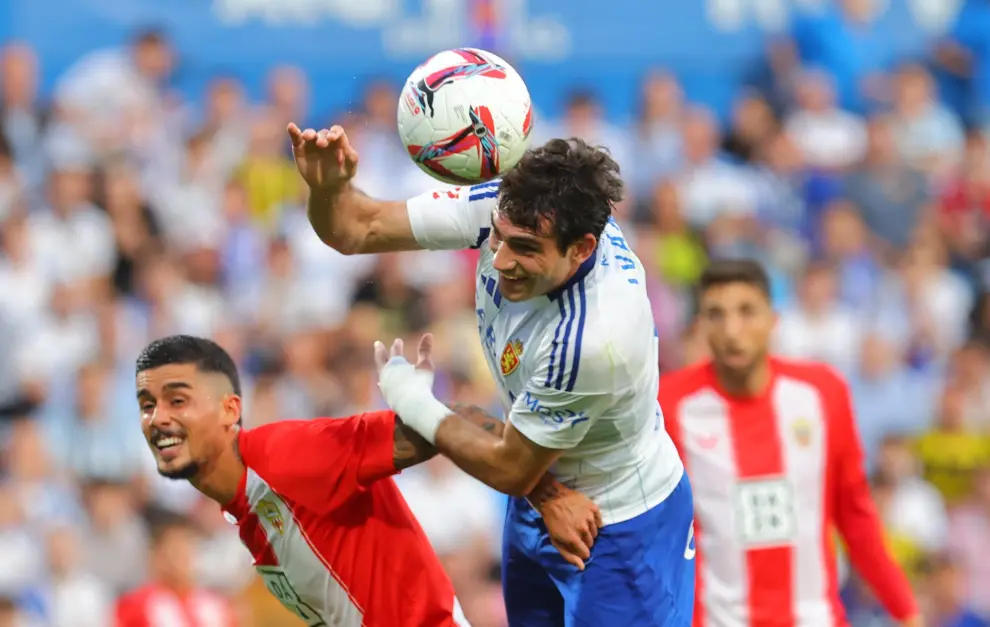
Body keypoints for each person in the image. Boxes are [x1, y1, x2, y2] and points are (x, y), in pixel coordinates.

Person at [287, 122, 694, 625]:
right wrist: (329, 188)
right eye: (499, 238)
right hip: (539, 499)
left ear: (582, 249)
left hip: (621, 526)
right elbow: (356, 228)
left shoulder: (596, 337)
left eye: (525, 249)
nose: (500, 260)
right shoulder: (508, 208)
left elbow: (511, 469)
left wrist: (415, 401)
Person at [134, 334, 600, 627]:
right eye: (147, 404)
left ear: (229, 410)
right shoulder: (241, 509)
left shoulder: (283, 455)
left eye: (178, 400)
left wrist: (546, 494)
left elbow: (456, 418)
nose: (158, 418)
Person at [657, 259, 920, 627]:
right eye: (716, 315)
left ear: (774, 319)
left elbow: (855, 514)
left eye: (747, 312)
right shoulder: (670, 405)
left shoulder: (822, 393)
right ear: (701, 326)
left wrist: (905, 610)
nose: (733, 330)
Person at [115, 514, 236, 627]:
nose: (185, 556)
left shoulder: (215, 604)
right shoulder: (136, 605)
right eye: (176, 549)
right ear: (157, 555)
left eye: (188, 545)